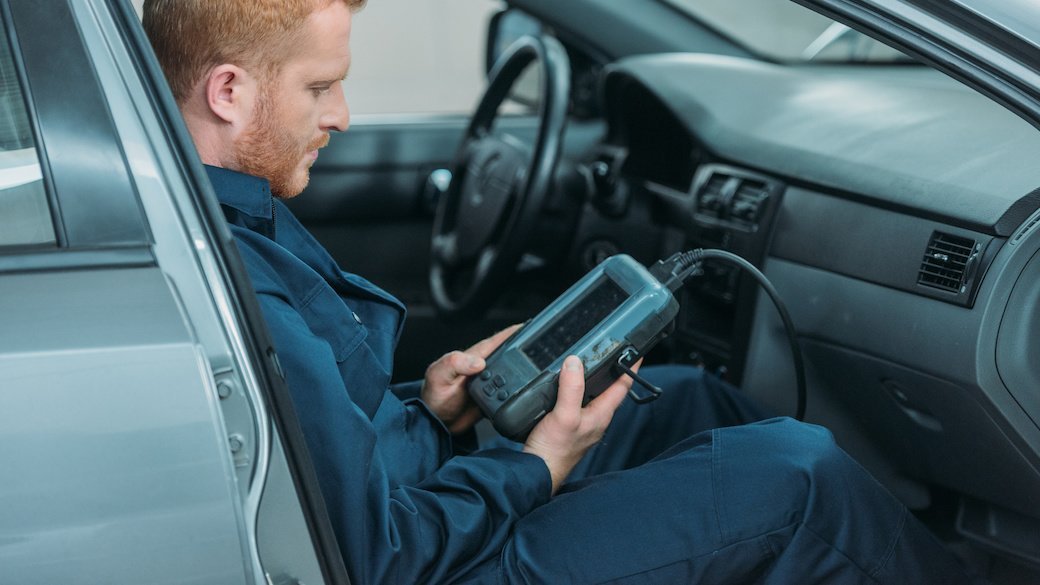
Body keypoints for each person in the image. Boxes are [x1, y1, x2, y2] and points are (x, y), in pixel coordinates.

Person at [142, 1, 978, 583]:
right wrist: (535, 464)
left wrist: (431, 412)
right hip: (420, 560)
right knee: (798, 480)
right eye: (320, 87)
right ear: (228, 91)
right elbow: (383, 558)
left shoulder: (230, 219)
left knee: (689, 400)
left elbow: (315, 441)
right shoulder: (240, 273)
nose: (343, 116)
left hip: (408, 498)